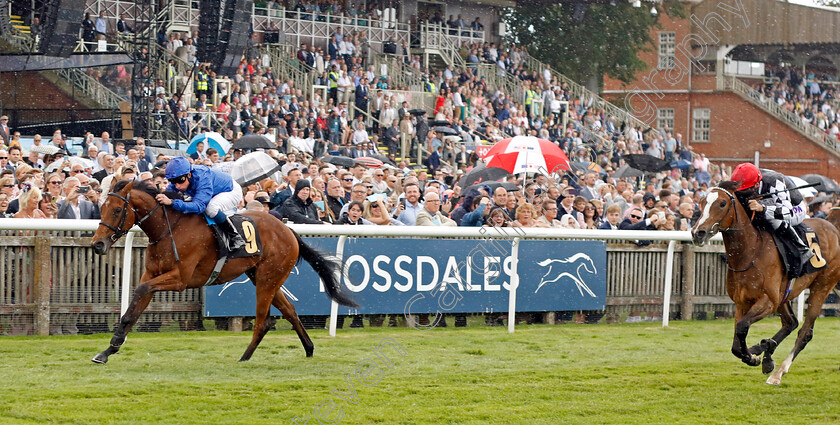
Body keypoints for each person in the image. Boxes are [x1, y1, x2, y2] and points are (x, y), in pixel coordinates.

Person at [730, 162, 812, 268]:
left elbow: (786, 211)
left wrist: (762, 208)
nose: (742, 194)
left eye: (745, 191)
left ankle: (802, 248)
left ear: (757, 185)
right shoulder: (743, 178)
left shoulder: (774, 181)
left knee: (771, 217)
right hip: (769, 203)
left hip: (794, 208)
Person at [155, 156, 245, 250]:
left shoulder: (202, 177)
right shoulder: (180, 176)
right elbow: (168, 195)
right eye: (172, 181)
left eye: (180, 180)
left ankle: (235, 237)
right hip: (212, 192)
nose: (177, 185)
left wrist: (172, 202)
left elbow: (199, 206)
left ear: (189, 175)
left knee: (210, 208)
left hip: (230, 190)